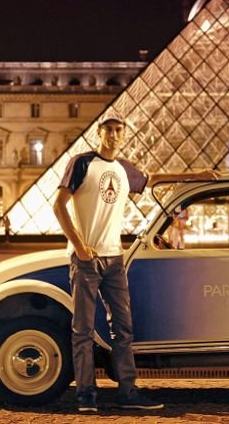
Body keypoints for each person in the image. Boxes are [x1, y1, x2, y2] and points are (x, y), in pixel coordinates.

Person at [52, 110, 218, 413]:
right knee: (83, 332)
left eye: (119, 130)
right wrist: (79, 246)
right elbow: (58, 205)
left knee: (124, 329)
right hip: (87, 259)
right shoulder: (81, 163)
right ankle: (86, 396)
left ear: (124, 134)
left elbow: (152, 179)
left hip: (115, 258)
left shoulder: (125, 170)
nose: (113, 135)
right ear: (99, 132)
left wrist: (197, 176)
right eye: (109, 129)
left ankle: (128, 392)